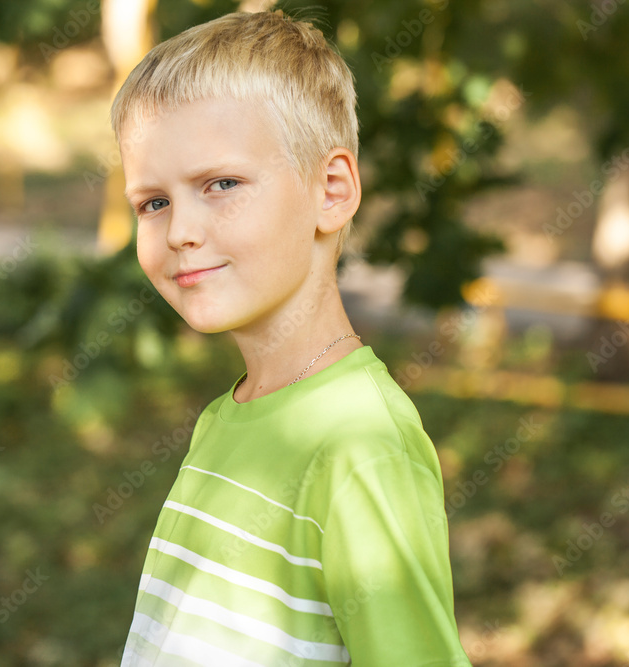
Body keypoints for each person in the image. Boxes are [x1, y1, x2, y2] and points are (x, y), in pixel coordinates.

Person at [110, 9, 471, 666]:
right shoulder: (227, 416)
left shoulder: (362, 447)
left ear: (331, 191)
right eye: (153, 202)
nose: (179, 230)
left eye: (220, 184)